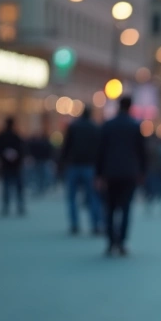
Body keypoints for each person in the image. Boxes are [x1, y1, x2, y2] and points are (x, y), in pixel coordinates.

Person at [97, 96, 146, 256]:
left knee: (110, 208)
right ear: (130, 106)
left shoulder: (108, 125)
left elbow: (101, 151)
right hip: (129, 172)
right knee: (126, 208)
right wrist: (142, 172)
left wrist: (99, 174)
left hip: (110, 172)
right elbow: (141, 152)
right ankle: (122, 241)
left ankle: (111, 241)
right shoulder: (135, 126)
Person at [61, 107, 102, 235]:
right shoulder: (95, 128)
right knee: (93, 196)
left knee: (72, 197)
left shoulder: (73, 127)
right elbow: (99, 149)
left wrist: (62, 163)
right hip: (90, 166)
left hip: (74, 165)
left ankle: (74, 224)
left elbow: (66, 147)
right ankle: (95, 224)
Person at [0, 117, 26, 216]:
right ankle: (20, 206)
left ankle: (6, 206)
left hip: (6, 165)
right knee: (18, 187)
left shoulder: (2, 136)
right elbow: (22, 149)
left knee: (6, 187)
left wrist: (3, 156)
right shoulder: (16, 135)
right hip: (15, 165)